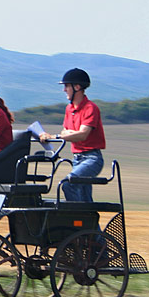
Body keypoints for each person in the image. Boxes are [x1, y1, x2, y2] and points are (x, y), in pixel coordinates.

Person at [39, 68, 106, 202]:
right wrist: (67, 134)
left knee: (68, 185)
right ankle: (89, 223)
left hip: (91, 159)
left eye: (67, 86)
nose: (64, 90)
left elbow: (82, 135)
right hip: (77, 159)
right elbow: (66, 132)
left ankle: (76, 217)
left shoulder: (90, 108)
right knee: (85, 200)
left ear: (77, 87)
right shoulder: (70, 109)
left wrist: (55, 137)